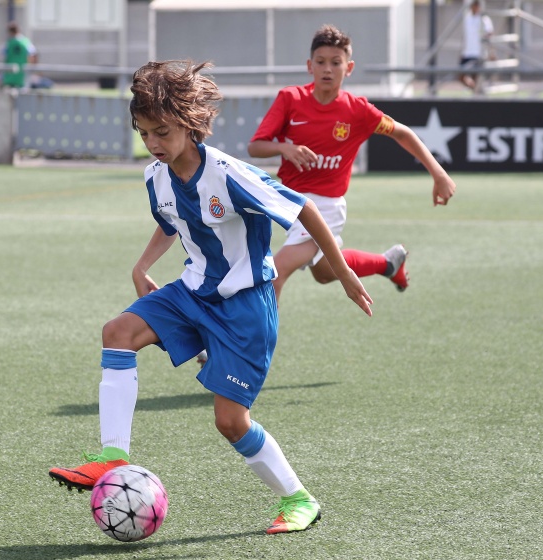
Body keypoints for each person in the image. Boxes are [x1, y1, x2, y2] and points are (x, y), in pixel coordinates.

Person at [48, 60, 373, 535]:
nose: (154, 144)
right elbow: (171, 219)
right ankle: (111, 455)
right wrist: (142, 267)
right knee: (117, 332)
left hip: (246, 308)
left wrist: (341, 271)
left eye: (162, 132)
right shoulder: (154, 176)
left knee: (230, 422)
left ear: (189, 122)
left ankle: (299, 499)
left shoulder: (228, 174)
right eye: (144, 134)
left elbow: (301, 206)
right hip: (192, 291)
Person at [248, 24, 456, 304]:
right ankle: (388, 263)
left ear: (349, 67)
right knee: (323, 272)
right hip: (291, 202)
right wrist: (285, 148)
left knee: (276, 272)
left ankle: (255, 348)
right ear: (309, 66)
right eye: (321, 62)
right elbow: (255, 147)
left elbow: (402, 132)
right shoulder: (290, 99)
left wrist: (438, 173)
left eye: (336, 62)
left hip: (326, 208)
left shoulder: (357, 110)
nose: (328, 69)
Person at [459, 0, 494, 91]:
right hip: (467, 52)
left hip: (478, 53)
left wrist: (491, 52)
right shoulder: (467, 18)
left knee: (475, 76)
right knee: (461, 75)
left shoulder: (484, 19)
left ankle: (476, 94)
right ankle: (475, 90)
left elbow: (489, 36)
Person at [2, 21, 37, 89]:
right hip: (22, 73)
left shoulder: (8, 43)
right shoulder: (25, 42)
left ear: (10, 32)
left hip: (10, 74)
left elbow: (4, 55)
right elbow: (33, 54)